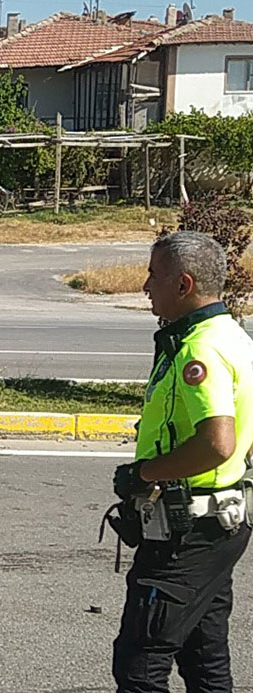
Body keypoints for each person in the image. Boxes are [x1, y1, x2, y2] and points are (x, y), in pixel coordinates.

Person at [111, 231, 253, 693]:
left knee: (141, 662)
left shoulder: (199, 349)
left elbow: (217, 443)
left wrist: (143, 474)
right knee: (204, 657)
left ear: (184, 284)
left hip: (187, 532)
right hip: (222, 524)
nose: (145, 286)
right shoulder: (234, 336)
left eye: (154, 275)